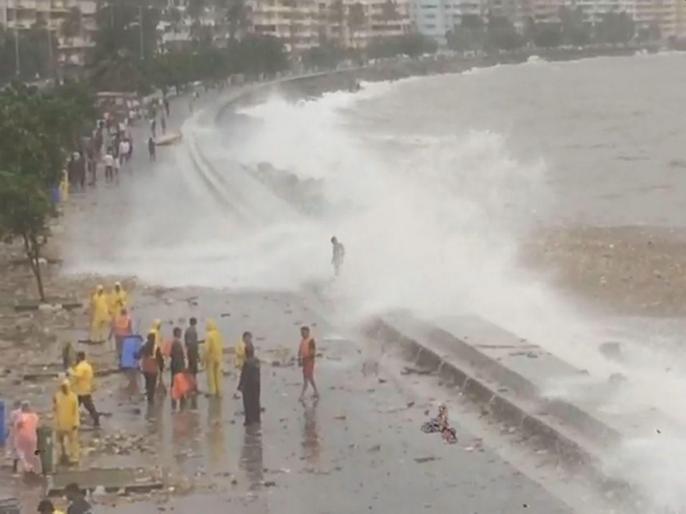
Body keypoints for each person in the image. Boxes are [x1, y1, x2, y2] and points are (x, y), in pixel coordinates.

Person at [54, 379, 79, 465]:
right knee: (59, 441)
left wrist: (76, 422)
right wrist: (55, 421)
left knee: (72, 441)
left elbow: (76, 410)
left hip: (71, 422)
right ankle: (62, 455)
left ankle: (74, 457)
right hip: (60, 423)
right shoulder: (57, 396)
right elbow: (55, 409)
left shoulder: (73, 397)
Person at [70, 352, 99, 427]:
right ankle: (72, 421)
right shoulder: (87, 365)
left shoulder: (81, 367)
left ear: (79, 357)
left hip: (81, 390)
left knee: (87, 406)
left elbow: (78, 375)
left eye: (77, 357)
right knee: (76, 406)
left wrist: (71, 372)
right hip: (84, 389)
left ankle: (96, 419)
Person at [237, 341, 261, 426]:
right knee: (256, 401)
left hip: (248, 385)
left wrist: (240, 386)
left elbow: (244, 375)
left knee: (248, 403)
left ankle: (249, 420)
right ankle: (257, 419)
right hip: (257, 384)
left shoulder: (247, 362)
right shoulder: (257, 361)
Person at [14, 401, 39, 474]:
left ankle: (26, 467)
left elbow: (18, 425)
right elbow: (36, 426)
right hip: (33, 437)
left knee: (20, 452)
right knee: (33, 452)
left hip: (22, 437)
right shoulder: (34, 416)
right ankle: (34, 467)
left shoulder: (22, 416)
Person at [139, 332, 162, 403]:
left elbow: (138, 354)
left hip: (145, 366)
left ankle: (148, 394)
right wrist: (161, 367)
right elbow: (159, 359)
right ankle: (150, 399)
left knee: (148, 382)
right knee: (152, 383)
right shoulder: (155, 347)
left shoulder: (143, 346)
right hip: (153, 368)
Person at [298, 326, 319, 400]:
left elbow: (312, 352)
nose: (302, 334)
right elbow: (300, 351)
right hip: (304, 360)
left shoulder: (311, 341)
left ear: (308, 332)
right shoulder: (302, 341)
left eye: (304, 332)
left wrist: (308, 359)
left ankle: (302, 395)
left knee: (306, 378)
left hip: (309, 361)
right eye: (301, 333)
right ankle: (316, 391)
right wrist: (299, 360)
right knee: (309, 377)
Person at [204, 319, 223, 397]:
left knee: (211, 376)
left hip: (210, 358)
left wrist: (203, 359)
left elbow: (206, 349)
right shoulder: (218, 334)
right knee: (217, 375)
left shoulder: (208, 335)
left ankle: (212, 391)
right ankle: (219, 390)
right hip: (218, 357)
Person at [169, 327, 186, 409]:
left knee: (174, 381)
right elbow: (180, 355)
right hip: (178, 364)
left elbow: (170, 354)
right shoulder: (177, 343)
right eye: (180, 332)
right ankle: (179, 396)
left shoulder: (173, 342)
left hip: (174, 363)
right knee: (179, 380)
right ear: (177, 333)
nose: (181, 334)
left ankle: (174, 396)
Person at [7, 400, 21, 472]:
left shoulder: (13, 413)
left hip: (14, 433)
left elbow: (11, 422)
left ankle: (15, 468)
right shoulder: (23, 413)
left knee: (15, 450)